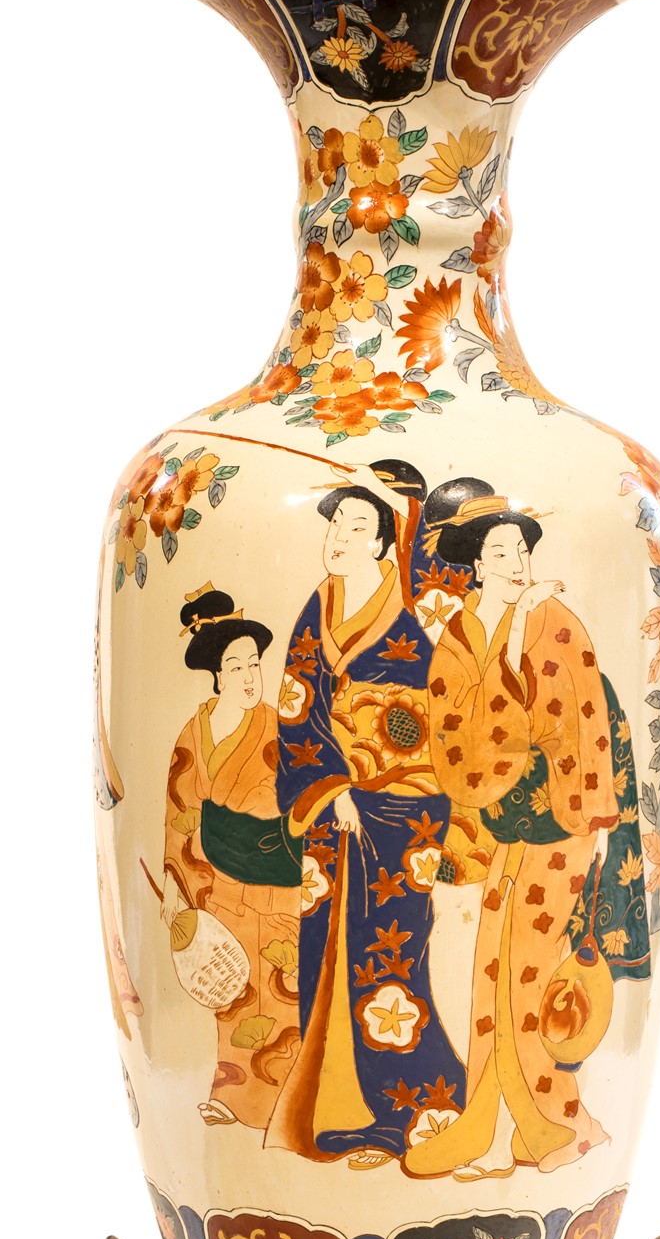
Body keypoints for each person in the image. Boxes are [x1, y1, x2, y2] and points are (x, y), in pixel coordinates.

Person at [403, 477, 648, 1181]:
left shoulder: (554, 620)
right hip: (498, 831)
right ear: (475, 564)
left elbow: (585, 725)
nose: (515, 563)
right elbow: (455, 743)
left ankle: (553, 1126)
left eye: (521, 549)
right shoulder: (460, 636)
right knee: (490, 974)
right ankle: (484, 1124)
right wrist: (506, 652)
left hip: (560, 826)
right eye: (500, 551)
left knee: (527, 978)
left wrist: (597, 825)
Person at [268, 464, 465, 1168]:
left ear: (384, 544)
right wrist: (332, 791)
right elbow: (296, 708)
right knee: (326, 949)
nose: (339, 537)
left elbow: (442, 698)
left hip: (405, 813)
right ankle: (339, 1109)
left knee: (392, 951)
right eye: (334, 525)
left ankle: (412, 1105)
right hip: (334, 813)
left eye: (357, 527)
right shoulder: (317, 608)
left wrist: (415, 505)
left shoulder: (410, 608)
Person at [162, 585, 301, 1128]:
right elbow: (180, 811)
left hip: (275, 879)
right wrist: (176, 886)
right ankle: (233, 1096)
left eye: (254, 665)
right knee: (231, 991)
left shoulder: (276, 727)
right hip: (216, 884)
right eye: (236, 666)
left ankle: (285, 1102)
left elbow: (299, 801)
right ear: (217, 676)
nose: (249, 677)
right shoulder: (192, 734)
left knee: (282, 988)